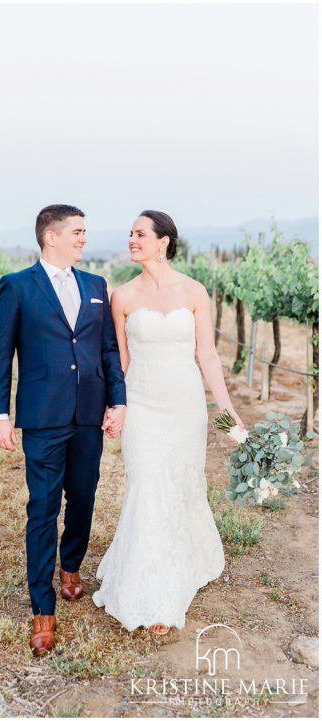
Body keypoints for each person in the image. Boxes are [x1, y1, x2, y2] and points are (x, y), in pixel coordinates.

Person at [91, 210, 244, 635]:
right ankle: (152, 591)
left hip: (184, 405)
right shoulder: (121, 296)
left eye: (140, 234)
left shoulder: (195, 292)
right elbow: (119, 359)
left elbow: (207, 357)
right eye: (130, 234)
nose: (132, 240)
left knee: (182, 481)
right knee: (145, 481)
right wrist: (112, 405)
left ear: (163, 241)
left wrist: (227, 416)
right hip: (141, 404)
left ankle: (185, 563)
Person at [0, 204, 126, 655]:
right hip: (43, 415)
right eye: (78, 232)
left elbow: (106, 349)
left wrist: (117, 399)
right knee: (43, 507)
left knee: (84, 496)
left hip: (89, 412)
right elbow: (1, 354)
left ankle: (71, 565)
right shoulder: (18, 286)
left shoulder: (96, 285)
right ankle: (42, 610)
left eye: (85, 232)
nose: (84, 239)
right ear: (51, 236)